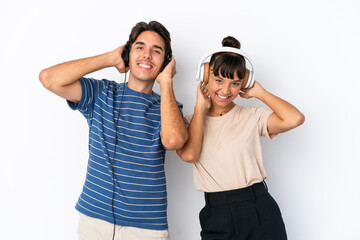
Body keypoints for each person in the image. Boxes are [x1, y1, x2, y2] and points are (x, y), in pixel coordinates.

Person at [39, 21, 188, 240]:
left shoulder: (169, 108)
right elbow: (48, 78)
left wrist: (166, 81)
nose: (147, 55)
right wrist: (110, 58)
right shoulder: (101, 93)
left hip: (146, 228)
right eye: (140, 47)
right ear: (128, 53)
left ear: (166, 62)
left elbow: (174, 141)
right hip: (94, 222)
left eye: (156, 51)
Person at [176, 36, 305, 240]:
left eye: (235, 83)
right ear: (205, 75)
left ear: (244, 82)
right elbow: (190, 154)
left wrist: (260, 92)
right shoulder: (189, 122)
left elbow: (295, 118)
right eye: (218, 80)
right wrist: (199, 108)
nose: (226, 90)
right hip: (216, 214)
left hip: (258, 207)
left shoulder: (252, 116)